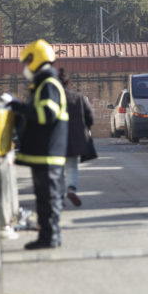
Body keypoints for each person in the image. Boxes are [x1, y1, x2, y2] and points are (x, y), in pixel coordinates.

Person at [9, 39, 68, 249]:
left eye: (27, 62)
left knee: (48, 199)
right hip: (45, 152)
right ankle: (49, 235)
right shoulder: (44, 84)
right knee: (45, 199)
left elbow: (47, 115)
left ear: (35, 60)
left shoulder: (48, 84)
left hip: (48, 152)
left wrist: (21, 108)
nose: (25, 68)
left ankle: (49, 237)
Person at [58, 68, 95, 207]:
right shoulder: (78, 98)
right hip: (74, 139)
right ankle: (71, 188)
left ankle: (60, 196)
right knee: (72, 166)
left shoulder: (51, 99)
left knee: (59, 169)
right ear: (67, 83)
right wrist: (85, 128)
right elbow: (90, 117)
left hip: (56, 140)